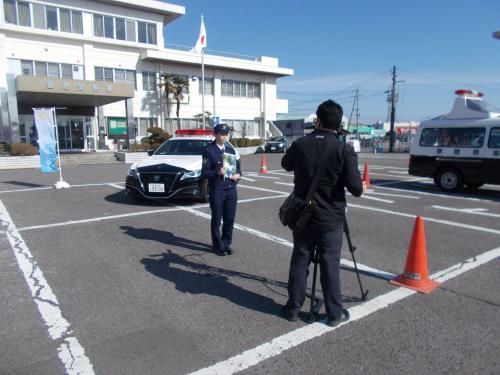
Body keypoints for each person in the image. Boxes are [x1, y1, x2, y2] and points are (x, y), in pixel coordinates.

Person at [281, 99, 364, 327]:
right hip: (331, 218)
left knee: (300, 260)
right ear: (339, 124)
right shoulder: (343, 149)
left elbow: (285, 164)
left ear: (317, 120)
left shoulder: (300, 144)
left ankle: (293, 309)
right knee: (330, 265)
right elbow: (356, 189)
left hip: (303, 217)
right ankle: (334, 313)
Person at [202, 123, 242, 256]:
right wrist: (217, 172)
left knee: (230, 218)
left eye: (226, 134)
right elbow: (204, 172)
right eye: (222, 134)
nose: (225, 137)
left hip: (231, 188)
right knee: (217, 219)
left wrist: (238, 175)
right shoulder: (209, 150)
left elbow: (238, 168)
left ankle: (226, 243)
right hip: (217, 189)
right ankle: (217, 245)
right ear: (215, 134)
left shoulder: (230, 150)